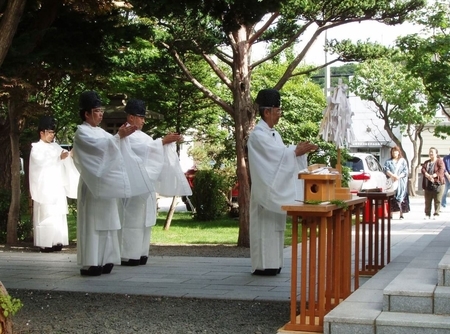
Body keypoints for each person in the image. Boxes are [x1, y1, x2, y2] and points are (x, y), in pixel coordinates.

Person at [73, 91, 145, 276]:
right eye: (96, 111)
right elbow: (97, 151)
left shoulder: (101, 132)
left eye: (101, 110)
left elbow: (113, 146)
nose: (101, 114)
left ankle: (106, 259)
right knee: (93, 223)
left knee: (109, 222)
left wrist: (121, 137)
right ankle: (92, 262)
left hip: (108, 185)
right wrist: (117, 137)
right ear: (86, 114)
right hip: (93, 185)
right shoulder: (82, 132)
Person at [247, 88, 318, 276]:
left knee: (275, 230)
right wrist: (295, 151)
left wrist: (298, 151)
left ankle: (274, 263)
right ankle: (263, 265)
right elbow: (274, 159)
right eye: (277, 111)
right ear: (267, 111)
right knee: (264, 230)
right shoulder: (258, 136)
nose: (279, 115)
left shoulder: (274, 134)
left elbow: (282, 155)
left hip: (274, 188)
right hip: (264, 191)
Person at [117, 99, 191, 266]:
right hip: (133, 185)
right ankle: (128, 254)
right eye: (140, 117)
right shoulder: (125, 136)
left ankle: (142, 252)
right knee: (132, 220)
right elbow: (145, 150)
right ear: (130, 117)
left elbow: (149, 149)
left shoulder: (143, 137)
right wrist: (162, 142)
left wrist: (164, 143)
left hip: (145, 185)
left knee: (144, 221)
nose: (143, 121)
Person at [29, 116, 73, 252]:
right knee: (46, 214)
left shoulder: (55, 146)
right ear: (41, 133)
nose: (52, 135)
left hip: (57, 185)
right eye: (49, 132)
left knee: (58, 214)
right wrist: (58, 158)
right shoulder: (36, 148)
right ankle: (45, 243)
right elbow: (40, 163)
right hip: (45, 187)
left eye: (53, 133)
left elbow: (64, 158)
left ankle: (57, 241)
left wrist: (67, 156)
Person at [383, 146, 410, 219]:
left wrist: (398, 176)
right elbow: (386, 170)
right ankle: (390, 214)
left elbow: (405, 171)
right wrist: (392, 176)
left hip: (401, 182)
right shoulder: (388, 162)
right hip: (392, 182)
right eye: (393, 152)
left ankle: (401, 214)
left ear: (398, 152)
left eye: (396, 151)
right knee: (391, 198)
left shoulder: (403, 161)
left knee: (401, 198)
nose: (394, 153)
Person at [421, 147, 445, 219]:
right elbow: (423, 169)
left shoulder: (439, 161)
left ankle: (436, 213)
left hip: (438, 183)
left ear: (436, 153)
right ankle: (427, 214)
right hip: (428, 183)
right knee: (427, 200)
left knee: (437, 199)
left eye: (432, 152)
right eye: (430, 152)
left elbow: (442, 169)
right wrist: (427, 175)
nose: (431, 153)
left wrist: (434, 175)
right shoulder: (427, 162)